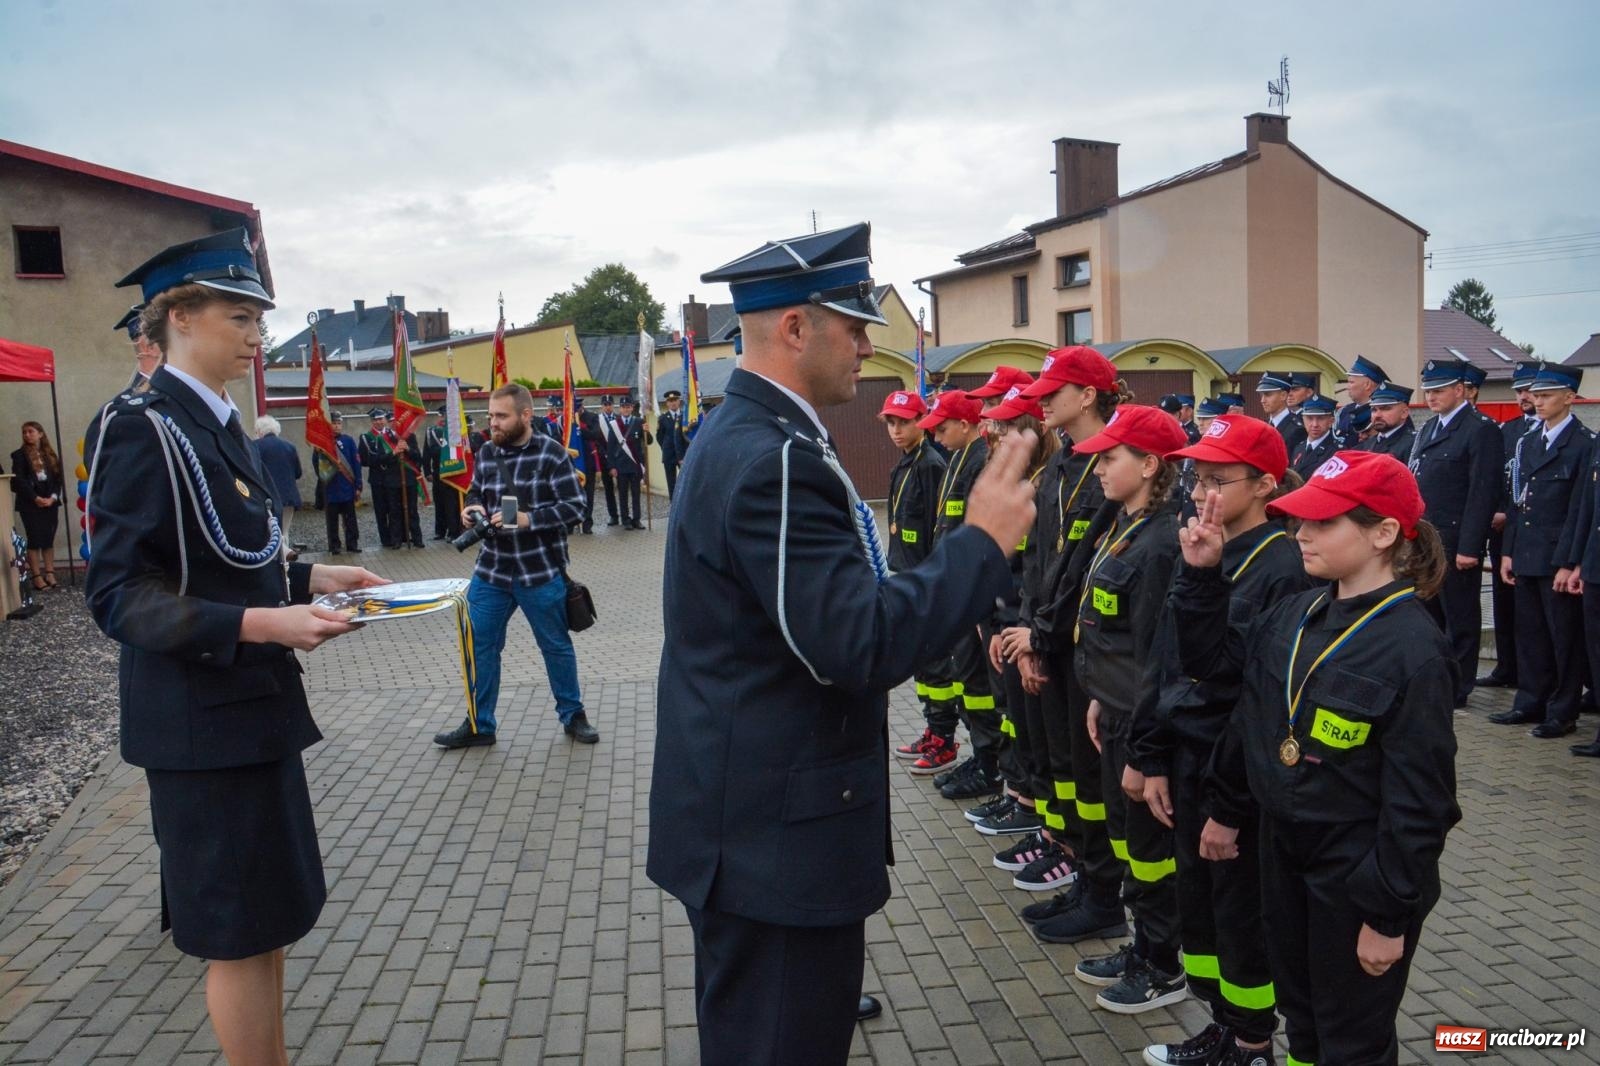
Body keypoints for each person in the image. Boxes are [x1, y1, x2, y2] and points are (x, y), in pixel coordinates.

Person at [649, 223, 1036, 1066]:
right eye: (853, 327)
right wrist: (981, 543)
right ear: (795, 328)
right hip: (774, 845)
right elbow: (854, 643)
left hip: (749, 827)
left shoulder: (744, 433)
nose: (868, 345)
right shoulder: (775, 458)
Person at [85, 227, 383, 1066]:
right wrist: (264, 624)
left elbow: (223, 557)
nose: (257, 333)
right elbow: (117, 595)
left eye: (259, 316)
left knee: (270, 925)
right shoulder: (139, 424)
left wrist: (311, 577)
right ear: (178, 317)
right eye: (239, 314)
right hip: (199, 726)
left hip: (248, 714)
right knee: (239, 937)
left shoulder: (212, 422)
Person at [1175, 450, 1459, 1066]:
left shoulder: (1415, 649)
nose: (1301, 532)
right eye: (1301, 519)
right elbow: (1228, 690)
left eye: (1324, 522)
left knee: (1350, 1036)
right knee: (1302, 1018)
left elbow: (1422, 803)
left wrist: (1388, 916)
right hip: (1283, 849)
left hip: (1355, 871)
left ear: (1384, 533)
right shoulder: (1297, 613)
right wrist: (1200, 578)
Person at [1136, 415, 1310, 1066]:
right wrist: (1151, 755)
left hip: (1230, 771)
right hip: (1185, 757)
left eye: (1217, 479)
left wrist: (1227, 804)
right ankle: (1224, 1024)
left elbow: (1253, 698)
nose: (1199, 492)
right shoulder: (1206, 547)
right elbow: (1167, 657)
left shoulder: (1283, 568)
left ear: (1264, 486)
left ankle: (1252, 1042)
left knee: (1241, 919)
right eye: (1196, 478)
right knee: (1201, 913)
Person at [1066, 405, 1190, 1014]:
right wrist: (1097, 699)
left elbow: (1156, 662)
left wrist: (1146, 752)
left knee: (1149, 851)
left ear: (1149, 465)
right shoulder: (1126, 526)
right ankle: (1143, 945)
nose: (1098, 470)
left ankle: (1164, 965)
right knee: (1127, 844)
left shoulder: (1163, 541)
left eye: (1110, 459)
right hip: (1114, 714)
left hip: (1141, 727)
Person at [1011, 346, 1129, 937]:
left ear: (1088, 396)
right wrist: (1032, 637)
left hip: (1085, 652)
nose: (1042, 403)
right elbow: (1038, 563)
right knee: (1067, 771)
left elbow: (1083, 571)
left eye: (1053, 393)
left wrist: (1040, 633)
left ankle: (1105, 898)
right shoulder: (1058, 465)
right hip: (1049, 643)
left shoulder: (1115, 466)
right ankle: (1084, 873)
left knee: (1090, 778)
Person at [432, 383, 595, 750]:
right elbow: (476, 491)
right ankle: (479, 724)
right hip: (491, 572)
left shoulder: (552, 454)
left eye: (501, 416)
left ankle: (573, 715)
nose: (493, 423)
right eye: (491, 415)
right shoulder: (488, 452)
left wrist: (528, 520)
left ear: (525, 415)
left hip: (539, 572)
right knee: (480, 647)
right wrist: (470, 509)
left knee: (555, 646)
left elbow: (576, 507)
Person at [1492, 363, 1593, 738]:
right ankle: (1529, 700)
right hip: (1527, 551)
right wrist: (1508, 552)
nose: (1537, 401)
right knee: (1530, 633)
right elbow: (1520, 502)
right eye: (1536, 395)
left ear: (1569, 398)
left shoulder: (1584, 444)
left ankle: (1562, 710)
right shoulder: (1528, 441)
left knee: (1563, 637)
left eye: (1547, 395)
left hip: (1558, 555)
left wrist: (1570, 561)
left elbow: (1580, 510)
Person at [915, 390, 1004, 794]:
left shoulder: (978, 463)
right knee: (967, 681)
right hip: (957, 589)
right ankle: (981, 755)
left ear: (966, 425)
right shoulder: (956, 460)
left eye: (943, 426)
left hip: (972, 593)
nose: (936, 434)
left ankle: (991, 765)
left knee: (980, 685)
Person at [1409, 359, 1504, 707]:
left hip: (1455, 540)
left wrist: (1470, 546)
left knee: (1460, 616)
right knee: (1429, 612)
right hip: (1426, 539)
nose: (1431, 397)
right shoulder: (1430, 427)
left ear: (1460, 390)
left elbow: (1482, 493)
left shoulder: (1480, 429)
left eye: (1438, 390)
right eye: (1428, 391)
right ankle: (1436, 678)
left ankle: (1460, 686)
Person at [881, 389, 949, 763]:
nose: (896, 430)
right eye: (891, 422)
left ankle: (944, 738)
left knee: (936, 663)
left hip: (926, 579)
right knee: (920, 662)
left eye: (903, 422)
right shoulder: (904, 464)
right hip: (907, 574)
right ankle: (932, 729)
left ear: (922, 422)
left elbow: (938, 528)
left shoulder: (930, 465)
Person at [1479, 362, 1541, 690]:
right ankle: (1507, 667)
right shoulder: (1508, 430)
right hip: (1504, 529)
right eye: (1519, 391)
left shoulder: (1543, 431)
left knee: (1532, 609)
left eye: (1529, 390)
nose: (1524, 397)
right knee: (1504, 603)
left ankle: (1537, 676)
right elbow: (1498, 477)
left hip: (1532, 529)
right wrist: (1499, 510)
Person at [10, 421, 64, 588]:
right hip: (31, 503)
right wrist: (35, 498)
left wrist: (53, 497)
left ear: (40, 434)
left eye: (31, 431)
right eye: (24, 432)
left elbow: (57, 479)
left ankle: (50, 572)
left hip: (50, 502)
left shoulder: (50, 455)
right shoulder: (19, 455)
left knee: (48, 537)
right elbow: (20, 481)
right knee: (34, 538)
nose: (27, 435)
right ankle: (36, 575)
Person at [314, 411, 362, 554]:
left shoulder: (348, 441)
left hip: (347, 486)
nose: (336, 426)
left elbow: (356, 463)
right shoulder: (322, 444)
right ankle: (334, 545)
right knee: (332, 520)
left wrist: (358, 485)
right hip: (331, 487)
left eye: (339, 423)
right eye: (334, 423)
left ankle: (352, 544)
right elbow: (317, 465)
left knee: (350, 519)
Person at [253, 415, 304, 547]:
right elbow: (298, 473)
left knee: (270, 534)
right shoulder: (289, 446)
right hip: (289, 497)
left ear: (259, 431)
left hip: (267, 499)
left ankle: (277, 563)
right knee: (284, 532)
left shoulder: (254, 447)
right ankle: (286, 560)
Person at [358, 410, 400, 548]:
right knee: (381, 511)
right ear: (372, 421)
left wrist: (383, 458)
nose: (379, 422)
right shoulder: (366, 437)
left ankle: (396, 539)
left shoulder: (392, 435)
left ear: (385, 420)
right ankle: (385, 540)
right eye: (375, 420)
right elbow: (366, 460)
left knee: (394, 510)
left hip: (393, 478)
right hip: (377, 479)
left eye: (381, 419)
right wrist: (387, 458)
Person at [609, 396, 650, 529]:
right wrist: (612, 466)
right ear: (620, 409)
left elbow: (649, 442)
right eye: (623, 407)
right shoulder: (614, 425)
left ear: (632, 408)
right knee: (622, 495)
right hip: (620, 465)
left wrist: (646, 431)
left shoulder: (639, 421)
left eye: (628, 407)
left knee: (636, 494)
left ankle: (636, 519)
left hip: (635, 464)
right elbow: (611, 447)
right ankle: (626, 520)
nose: (626, 409)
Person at [423, 406, 460, 541]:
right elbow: (426, 453)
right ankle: (440, 531)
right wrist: (427, 471)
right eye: (443, 415)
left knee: (451, 504)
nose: (445, 418)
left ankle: (453, 531)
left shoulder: (456, 431)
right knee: (439, 503)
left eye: (447, 415)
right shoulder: (431, 432)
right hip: (438, 472)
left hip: (453, 471)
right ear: (440, 416)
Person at [1337, 355, 1388, 446]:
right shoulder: (1344, 411)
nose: (1347, 387)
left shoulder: (1386, 413)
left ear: (1367, 384)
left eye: (1351, 382)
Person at [587, 396, 622, 526]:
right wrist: (605, 453)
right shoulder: (597, 420)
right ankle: (613, 515)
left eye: (610, 404)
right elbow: (596, 439)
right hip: (604, 459)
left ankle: (625, 515)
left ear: (613, 405)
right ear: (602, 406)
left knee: (623, 488)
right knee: (609, 489)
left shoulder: (619, 419)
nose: (608, 407)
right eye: (605, 404)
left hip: (619, 458)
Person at [1289, 394, 1339, 480]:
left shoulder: (1337, 451)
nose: (1315, 424)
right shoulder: (1299, 447)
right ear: (1303, 419)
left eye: (1320, 418)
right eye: (1309, 418)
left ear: (1331, 421)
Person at [1361, 383, 1416, 459]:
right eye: (1374, 410)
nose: (1377, 415)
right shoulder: (1368, 444)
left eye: (1385, 409)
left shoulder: (1414, 443)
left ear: (1404, 413)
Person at [1255, 374, 1306, 455]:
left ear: (1283, 395)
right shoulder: (1263, 425)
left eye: (1268, 394)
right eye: (1261, 395)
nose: (1262, 400)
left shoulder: (1297, 429)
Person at [656, 389, 690, 497]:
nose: (673, 403)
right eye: (670, 401)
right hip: (669, 455)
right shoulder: (662, 418)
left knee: (686, 482)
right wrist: (667, 448)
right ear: (667, 403)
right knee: (671, 483)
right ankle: (673, 508)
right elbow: (659, 437)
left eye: (675, 400)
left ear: (679, 401)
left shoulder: (686, 417)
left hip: (684, 455)